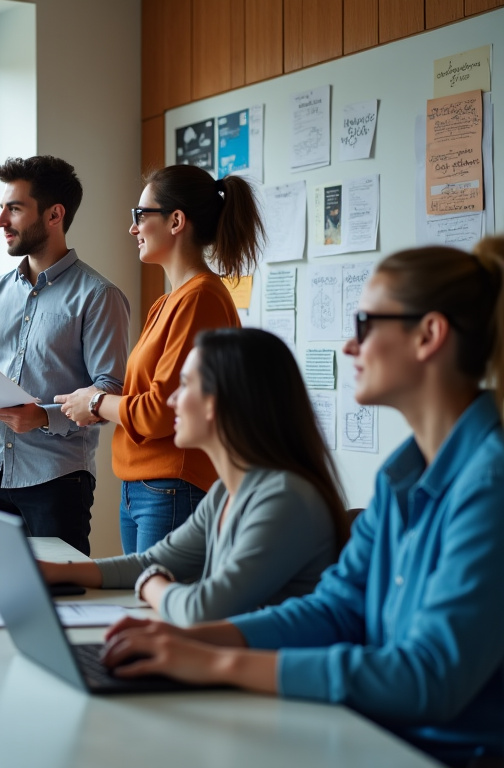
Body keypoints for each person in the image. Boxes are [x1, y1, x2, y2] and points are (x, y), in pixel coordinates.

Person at [100, 243, 504, 766]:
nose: (348, 346)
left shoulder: (489, 483)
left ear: (428, 335)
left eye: (365, 324)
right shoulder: (401, 476)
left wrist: (217, 663)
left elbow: (427, 677)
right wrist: (193, 641)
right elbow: (335, 610)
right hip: (371, 735)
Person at [37, 328, 346, 625]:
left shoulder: (284, 498)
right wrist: (56, 571)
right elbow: (151, 561)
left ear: (218, 402)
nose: (172, 401)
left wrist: (149, 583)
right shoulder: (227, 492)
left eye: (184, 386)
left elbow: (202, 610)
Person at [55, 164, 264, 554]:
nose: (133, 228)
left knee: (156, 610)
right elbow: (146, 400)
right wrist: (93, 406)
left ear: (176, 221)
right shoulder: (168, 302)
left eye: (140, 215)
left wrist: (96, 402)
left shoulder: (200, 299)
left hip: (172, 487)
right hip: (143, 488)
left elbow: (160, 412)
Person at [0, 156, 130, 555]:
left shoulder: (99, 296)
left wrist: (42, 416)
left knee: (59, 601)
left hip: (56, 480)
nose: (1, 222)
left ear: (54, 214)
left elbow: (110, 390)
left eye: (14, 209)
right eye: (2, 208)